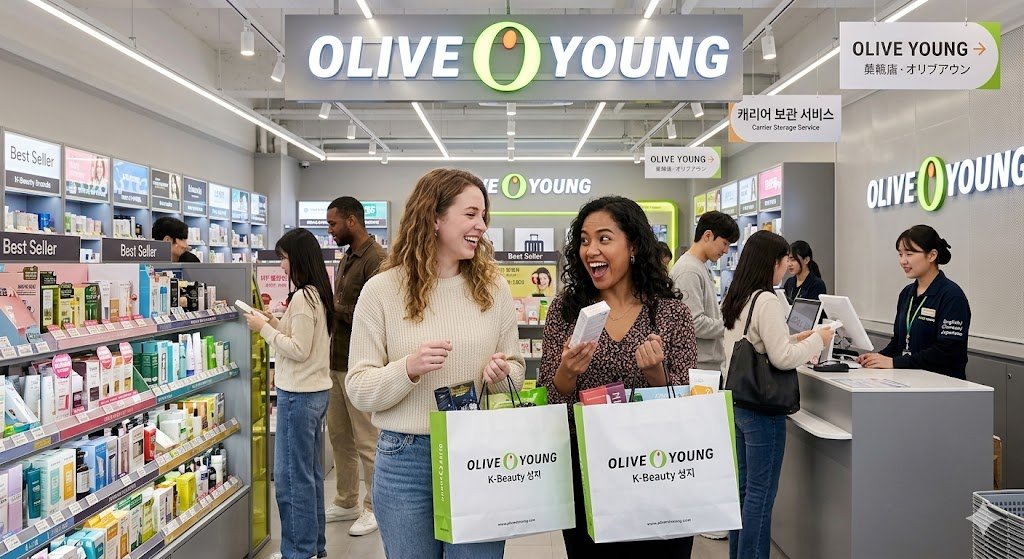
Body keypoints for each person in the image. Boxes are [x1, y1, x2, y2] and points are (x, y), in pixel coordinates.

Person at [346, 168, 526, 559]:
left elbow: (514, 368)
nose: (481, 225)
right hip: (404, 460)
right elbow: (358, 387)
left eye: (484, 216)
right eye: (471, 214)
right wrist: (407, 368)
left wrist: (500, 375)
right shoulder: (381, 291)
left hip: (478, 453)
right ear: (434, 217)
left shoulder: (493, 287)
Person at [538, 195, 698, 558]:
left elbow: (690, 402)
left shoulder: (671, 314)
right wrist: (567, 372)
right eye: (584, 240)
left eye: (604, 238)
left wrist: (658, 375)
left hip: (660, 470)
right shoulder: (566, 312)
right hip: (588, 475)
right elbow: (550, 395)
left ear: (635, 246)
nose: (591, 249)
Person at [721, 230, 833, 559]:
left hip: (738, 404)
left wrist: (802, 337)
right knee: (760, 495)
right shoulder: (766, 299)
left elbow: (761, 345)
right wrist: (819, 341)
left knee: (744, 491)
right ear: (772, 262)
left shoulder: (737, 296)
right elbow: (782, 358)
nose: (786, 268)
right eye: (784, 261)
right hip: (763, 411)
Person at [244, 228, 334, 559]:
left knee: (290, 480)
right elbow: (303, 340)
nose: (281, 266)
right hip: (315, 394)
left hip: (298, 396)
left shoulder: (301, 297)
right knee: (308, 476)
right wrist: (272, 321)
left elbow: (297, 349)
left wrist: (263, 329)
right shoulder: (317, 294)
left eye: (283, 258)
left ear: (296, 259)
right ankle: (314, 547)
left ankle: (298, 551)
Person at [669, 209, 738, 541]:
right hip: (698, 370)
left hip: (706, 368)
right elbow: (692, 322)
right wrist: (727, 324)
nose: (726, 250)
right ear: (707, 236)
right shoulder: (688, 272)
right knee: (699, 447)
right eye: (724, 243)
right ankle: (701, 520)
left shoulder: (697, 269)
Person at [323, 196, 385, 536]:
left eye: (333, 224)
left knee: (367, 440)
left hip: (361, 364)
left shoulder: (377, 259)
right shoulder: (348, 257)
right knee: (340, 437)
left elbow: (375, 315)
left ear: (351, 221)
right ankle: (346, 499)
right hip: (336, 359)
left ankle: (374, 506)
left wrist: (334, 309)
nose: (330, 231)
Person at [858, 225, 970, 379]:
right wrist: (876, 358)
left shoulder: (952, 296)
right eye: (900, 254)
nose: (903, 261)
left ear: (931, 255)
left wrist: (894, 362)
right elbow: (898, 342)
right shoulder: (907, 293)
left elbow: (946, 351)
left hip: (942, 385)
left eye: (909, 254)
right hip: (909, 381)